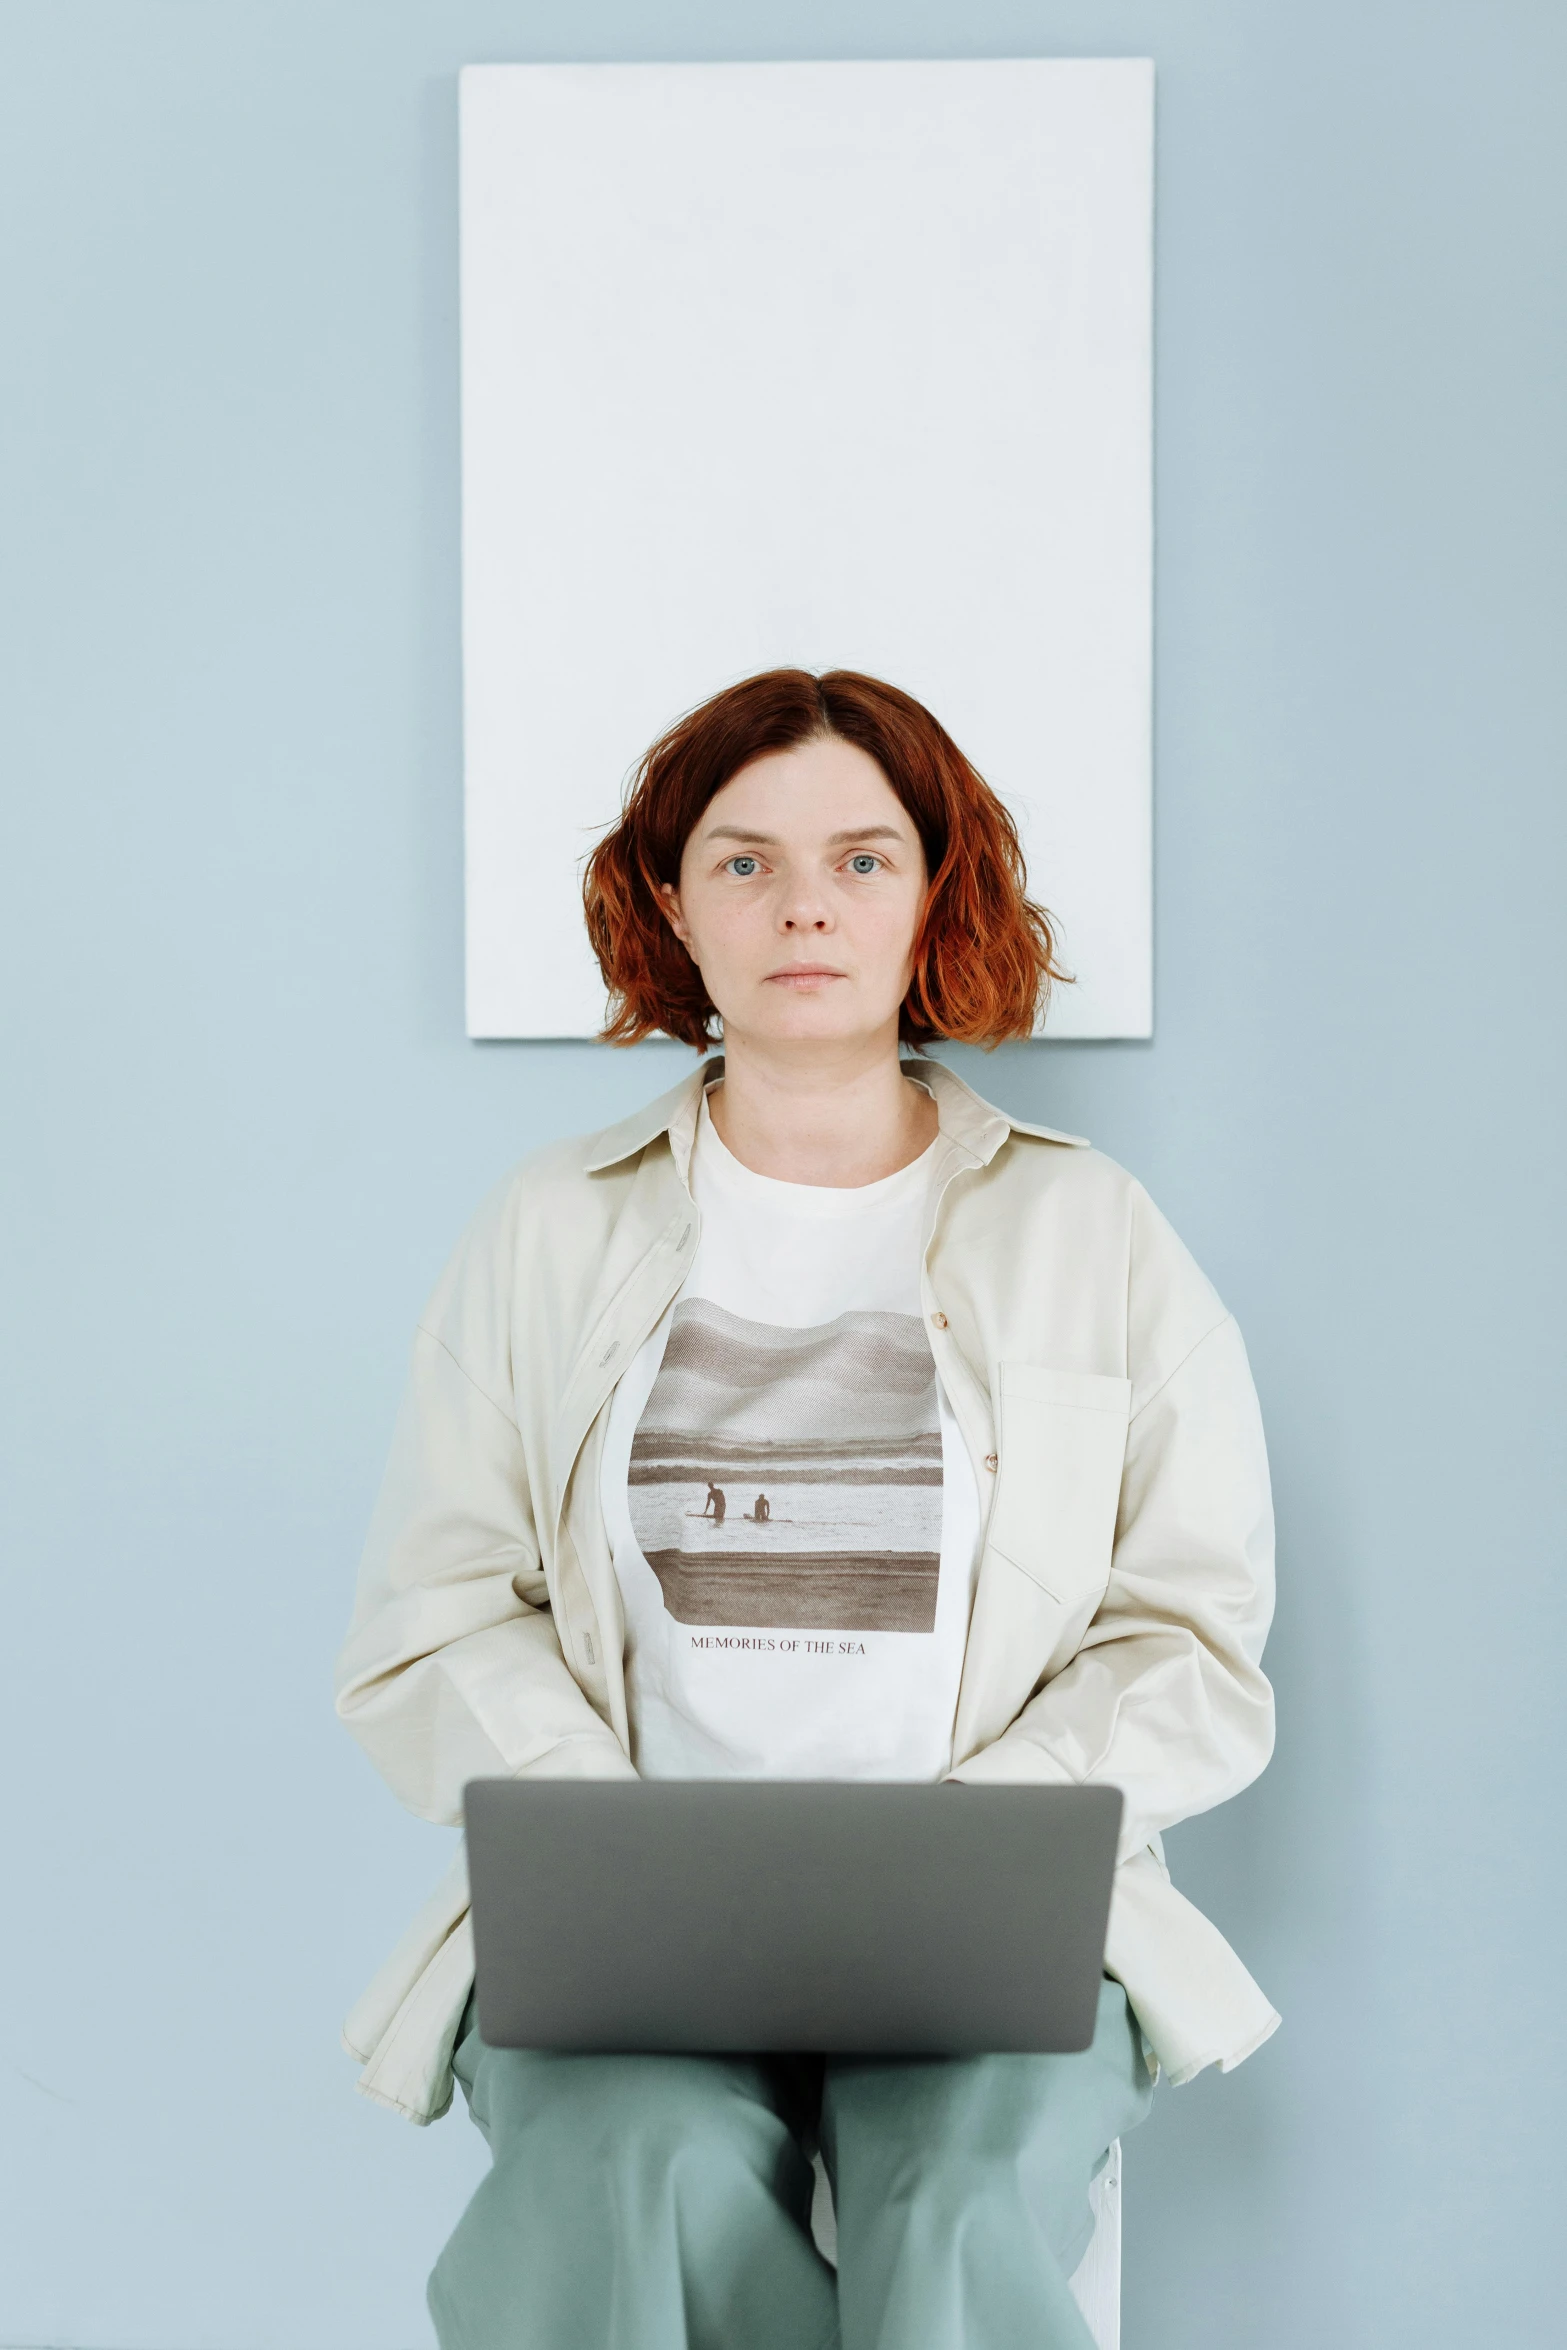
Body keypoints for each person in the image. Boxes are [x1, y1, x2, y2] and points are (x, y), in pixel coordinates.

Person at [335, 668, 1279, 2350]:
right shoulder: (548, 1229)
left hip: (993, 1933)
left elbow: (1191, 1635)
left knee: (954, 2202)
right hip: (622, 1938)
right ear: (670, 906)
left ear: (933, 896)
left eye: (859, 859)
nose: (803, 908)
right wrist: (603, 1838)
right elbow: (439, 1612)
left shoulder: (1094, 1231)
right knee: (625, 2172)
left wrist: (991, 1835)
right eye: (743, 860)